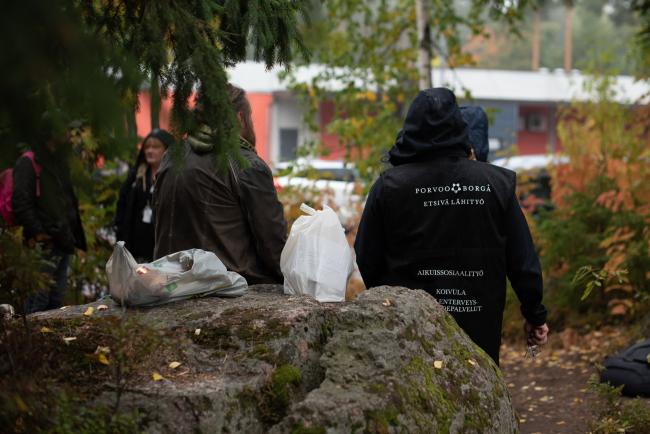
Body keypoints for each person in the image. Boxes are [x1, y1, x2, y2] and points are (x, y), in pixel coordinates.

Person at [354, 88, 548, 364]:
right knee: (477, 392)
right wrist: (534, 314)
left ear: (411, 127)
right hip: (479, 326)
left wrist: (388, 300)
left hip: (409, 324)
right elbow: (522, 260)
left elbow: (366, 255)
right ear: (459, 125)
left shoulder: (390, 186)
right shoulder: (496, 184)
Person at [153, 85, 287, 284]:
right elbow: (274, 246)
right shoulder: (246, 164)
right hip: (227, 286)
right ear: (240, 118)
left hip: (170, 283)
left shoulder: (171, 156)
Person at [11, 115, 87, 313]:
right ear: (50, 132)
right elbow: (20, 203)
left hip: (62, 241)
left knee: (56, 301)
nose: (68, 134)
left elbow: (68, 202)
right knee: (37, 302)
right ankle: (31, 344)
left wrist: (74, 237)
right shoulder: (28, 163)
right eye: (63, 129)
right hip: (42, 245)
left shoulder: (59, 161)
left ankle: (49, 343)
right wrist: (39, 233)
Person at [114, 129, 174, 262]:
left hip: (162, 243)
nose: (150, 151)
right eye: (147, 147)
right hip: (136, 243)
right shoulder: (136, 176)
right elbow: (123, 202)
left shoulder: (173, 177)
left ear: (167, 149)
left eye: (155, 147)